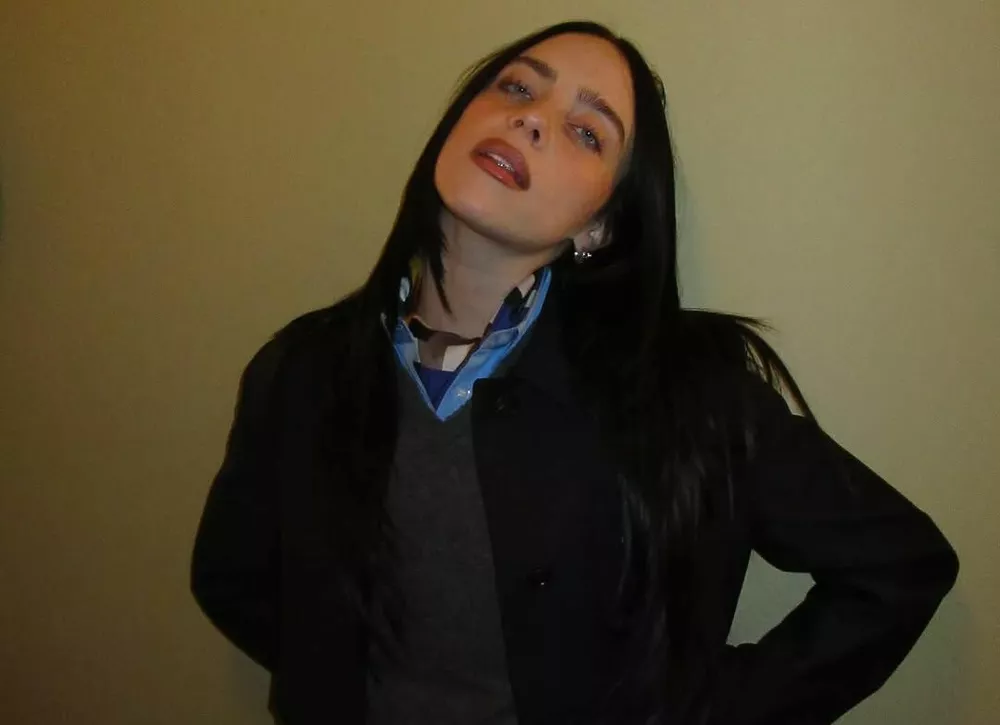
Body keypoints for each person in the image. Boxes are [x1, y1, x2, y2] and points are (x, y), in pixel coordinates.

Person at [190, 20, 959, 725]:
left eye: (587, 132)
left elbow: (898, 569)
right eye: (516, 87)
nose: (529, 118)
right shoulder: (300, 371)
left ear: (599, 225)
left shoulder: (691, 392)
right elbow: (233, 579)